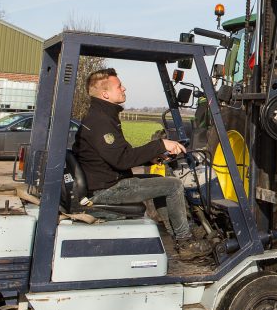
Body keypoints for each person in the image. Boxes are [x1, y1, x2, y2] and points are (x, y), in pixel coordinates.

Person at [73, 68, 211, 260]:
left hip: (108, 181)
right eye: (119, 86)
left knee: (160, 181)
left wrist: (151, 158)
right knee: (174, 185)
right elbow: (122, 160)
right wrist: (161, 143)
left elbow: (122, 154)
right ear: (105, 93)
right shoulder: (101, 122)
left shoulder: (102, 117)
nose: (124, 88)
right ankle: (185, 241)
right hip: (106, 189)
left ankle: (179, 232)